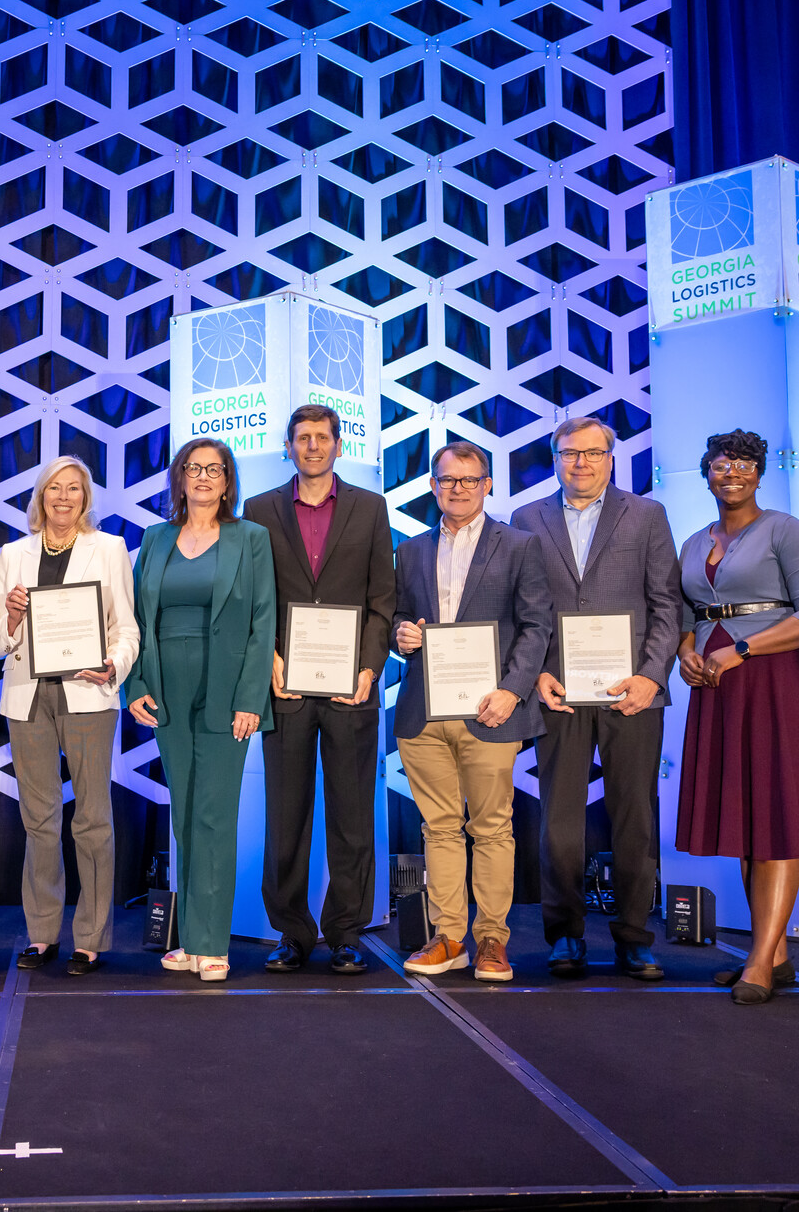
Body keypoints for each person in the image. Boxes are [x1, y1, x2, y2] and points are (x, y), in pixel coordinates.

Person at [674, 429, 799, 1005]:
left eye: (744, 465)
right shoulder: (693, 540)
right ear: (706, 474)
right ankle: (774, 955)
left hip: (776, 682)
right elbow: (687, 609)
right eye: (721, 466)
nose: (732, 474)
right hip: (718, 686)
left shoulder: (786, 530)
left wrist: (742, 650)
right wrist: (685, 649)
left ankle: (759, 959)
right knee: (750, 821)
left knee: (776, 816)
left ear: (761, 473)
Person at [510, 416, 681, 981]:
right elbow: (523, 612)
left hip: (630, 690)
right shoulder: (526, 518)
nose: (579, 463)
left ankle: (635, 938)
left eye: (591, 453)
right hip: (558, 690)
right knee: (559, 820)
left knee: (634, 816)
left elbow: (666, 605)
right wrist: (533, 676)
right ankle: (564, 937)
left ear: (612, 458)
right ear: (554, 458)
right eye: (568, 454)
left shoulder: (647, 515)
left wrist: (652, 677)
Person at [392, 442, 552, 982]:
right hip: (424, 710)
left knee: (491, 828)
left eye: (469, 479)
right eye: (446, 480)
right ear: (433, 486)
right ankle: (449, 936)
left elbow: (537, 627)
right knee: (438, 828)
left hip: (492, 710)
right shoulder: (411, 550)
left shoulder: (520, 545)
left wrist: (512, 690)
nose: (457, 488)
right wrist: (401, 634)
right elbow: (397, 617)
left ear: (488, 485)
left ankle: (492, 941)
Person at [246, 404, 395, 975]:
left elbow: (383, 598)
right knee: (285, 817)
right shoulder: (258, 511)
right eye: (302, 438)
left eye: (322, 438)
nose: (312, 447)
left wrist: (368, 668)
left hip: (350, 689)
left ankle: (346, 931)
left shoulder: (370, 508)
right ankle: (291, 932)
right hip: (284, 687)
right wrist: (269, 657)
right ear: (288, 446)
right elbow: (254, 600)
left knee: (353, 817)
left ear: (339, 445)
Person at [125, 438, 275, 982]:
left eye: (215, 469)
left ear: (228, 481)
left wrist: (249, 698)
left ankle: (213, 943)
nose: (205, 477)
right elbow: (136, 620)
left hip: (225, 684)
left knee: (214, 814)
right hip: (167, 684)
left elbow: (263, 623)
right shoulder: (155, 537)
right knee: (184, 817)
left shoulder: (251, 538)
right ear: (180, 479)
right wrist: (136, 682)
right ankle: (189, 939)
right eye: (195, 469)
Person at [0, 456, 140, 975]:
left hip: (88, 694)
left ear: (86, 497)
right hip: (28, 696)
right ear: (41, 496)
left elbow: (128, 629)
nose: (64, 497)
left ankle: (90, 937)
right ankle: (42, 932)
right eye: (55, 488)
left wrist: (110, 664)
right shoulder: (12, 553)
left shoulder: (110, 548)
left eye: (74, 488)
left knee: (93, 817)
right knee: (40, 819)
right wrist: (9, 615)